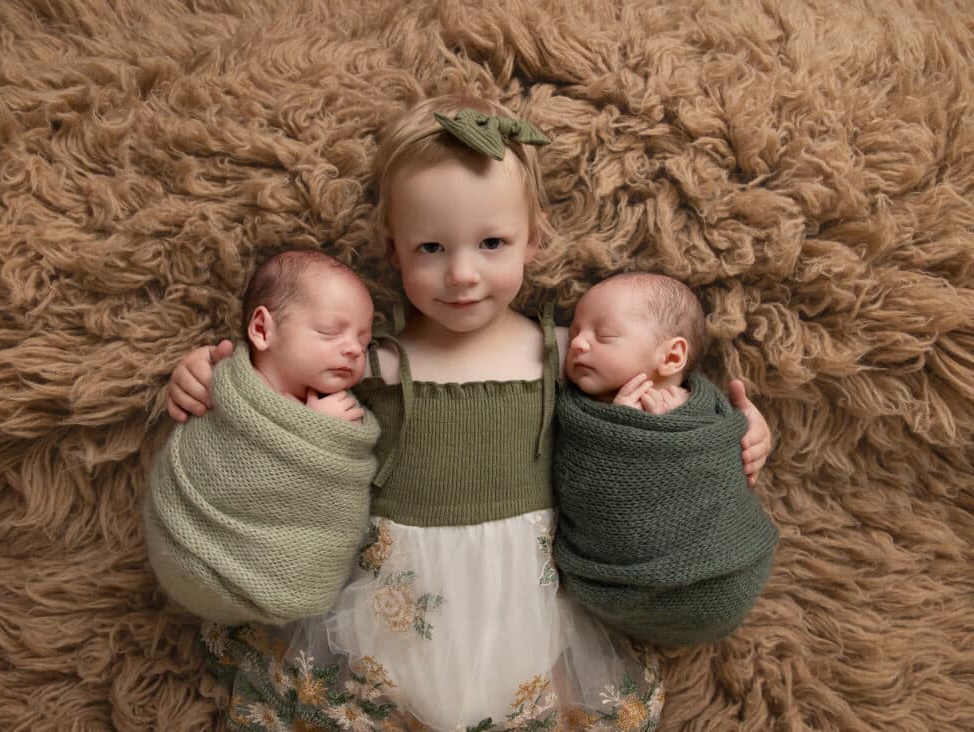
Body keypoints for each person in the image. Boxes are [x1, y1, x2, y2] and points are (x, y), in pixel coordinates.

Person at [160, 96, 773, 730]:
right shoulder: (367, 362)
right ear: (393, 248)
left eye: (491, 243)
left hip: (522, 597)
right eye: (430, 247)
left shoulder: (567, 351)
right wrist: (206, 377)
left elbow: (666, 405)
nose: (461, 274)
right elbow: (269, 397)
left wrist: (740, 429)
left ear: (533, 237)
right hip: (395, 594)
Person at [144, 251, 381, 627]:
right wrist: (314, 430)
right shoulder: (225, 389)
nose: (353, 349)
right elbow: (233, 473)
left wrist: (327, 433)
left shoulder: (337, 408)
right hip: (190, 545)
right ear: (262, 329)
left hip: (283, 577)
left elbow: (331, 504)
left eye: (364, 341)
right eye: (330, 332)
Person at [554, 272, 779, 647]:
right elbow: (581, 483)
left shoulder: (706, 406)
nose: (577, 344)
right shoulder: (581, 413)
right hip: (621, 587)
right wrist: (618, 430)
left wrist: (751, 428)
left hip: (730, 571)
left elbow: (723, 460)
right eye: (574, 331)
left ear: (672, 356)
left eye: (603, 336)